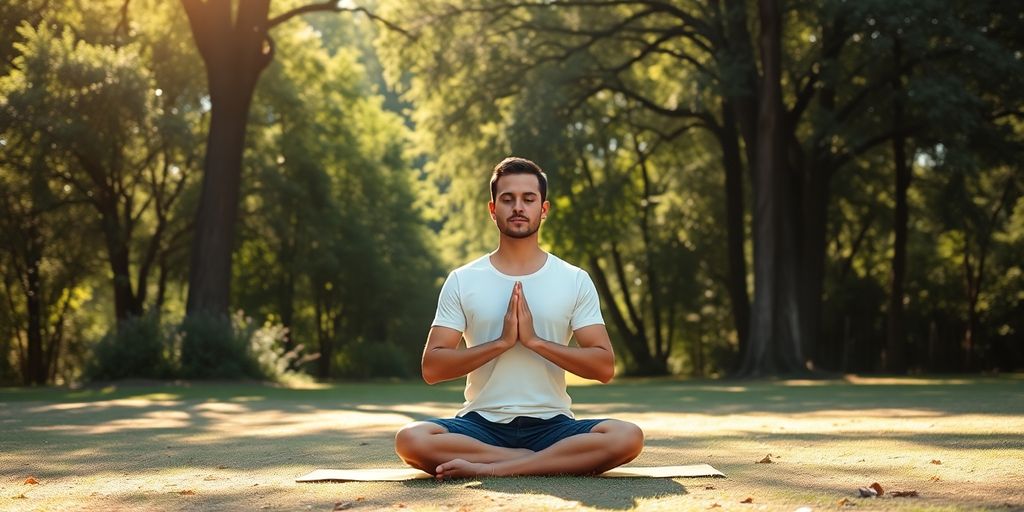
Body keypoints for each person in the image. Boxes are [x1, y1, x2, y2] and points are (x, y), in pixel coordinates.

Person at [394, 157, 644, 480]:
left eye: (529, 199)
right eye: (507, 199)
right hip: (479, 425)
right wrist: (501, 343)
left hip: (553, 425)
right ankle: (535, 461)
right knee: (410, 439)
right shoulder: (463, 279)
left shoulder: (574, 279)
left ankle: (497, 467)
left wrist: (535, 342)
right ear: (492, 208)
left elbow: (604, 366)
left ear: (544, 209)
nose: (518, 207)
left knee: (628, 436)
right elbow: (432, 367)